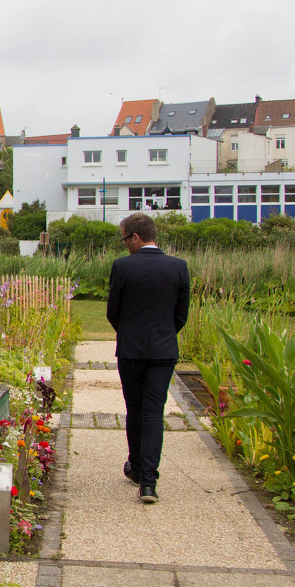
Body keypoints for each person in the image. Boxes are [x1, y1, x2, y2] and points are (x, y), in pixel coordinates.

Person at [105, 212, 189, 504]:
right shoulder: (179, 267)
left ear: (136, 237)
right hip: (164, 351)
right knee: (154, 411)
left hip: (131, 350)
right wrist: (165, 335)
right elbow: (181, 314)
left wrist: (128, 333)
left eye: (125, 238)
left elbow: (112, 311)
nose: (124, 244)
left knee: (136, 409)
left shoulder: (123, 267)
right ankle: (149, 483)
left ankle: (138, 468)